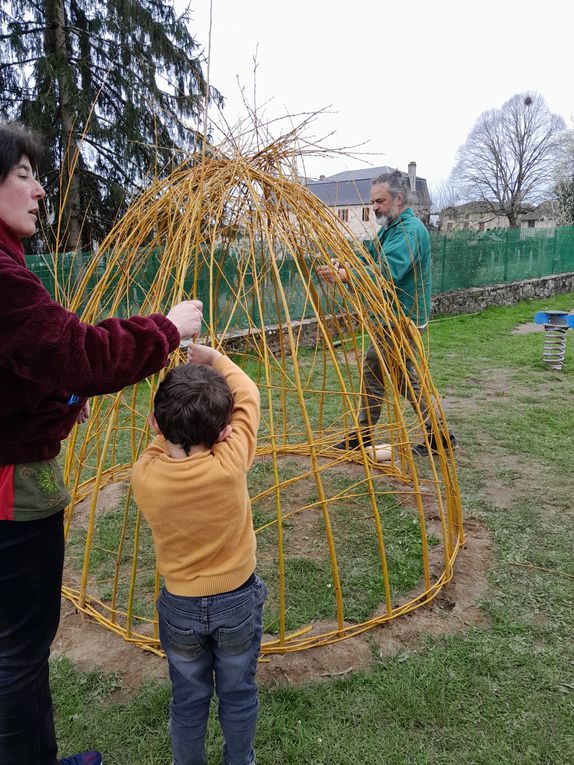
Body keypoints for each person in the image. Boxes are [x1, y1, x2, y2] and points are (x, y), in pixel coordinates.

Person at [0, 122, 204, 765]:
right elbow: (80, 353)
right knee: (18, 653)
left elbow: (21, 373)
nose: (38, 191)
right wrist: (167, 330)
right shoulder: (2, 277)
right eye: (24, 175)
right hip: (10, 493)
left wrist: (54, 404)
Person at [131, 344, 266, 765]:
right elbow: (249, 395)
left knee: (188, 699)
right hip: (238, 600)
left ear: (155, 424)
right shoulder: (230, 462)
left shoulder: (146, 477)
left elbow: (162, 443)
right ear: (225, 432)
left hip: (181, 608)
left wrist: (166, 426)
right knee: (238, 692)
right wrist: (213, 359)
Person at [316, 169, 456, 456]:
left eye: (380, 201)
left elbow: (387, 271)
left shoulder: (410, 232)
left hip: (401, 319)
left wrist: (344, 276)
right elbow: (368, 256)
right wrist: (342, 261)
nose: (375, 207)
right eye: (373, 202)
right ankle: (439, 436)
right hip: (389, 318)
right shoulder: (391, 229)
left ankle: (364, 436)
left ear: (399, 199)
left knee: (376, 372)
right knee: (406, 380)